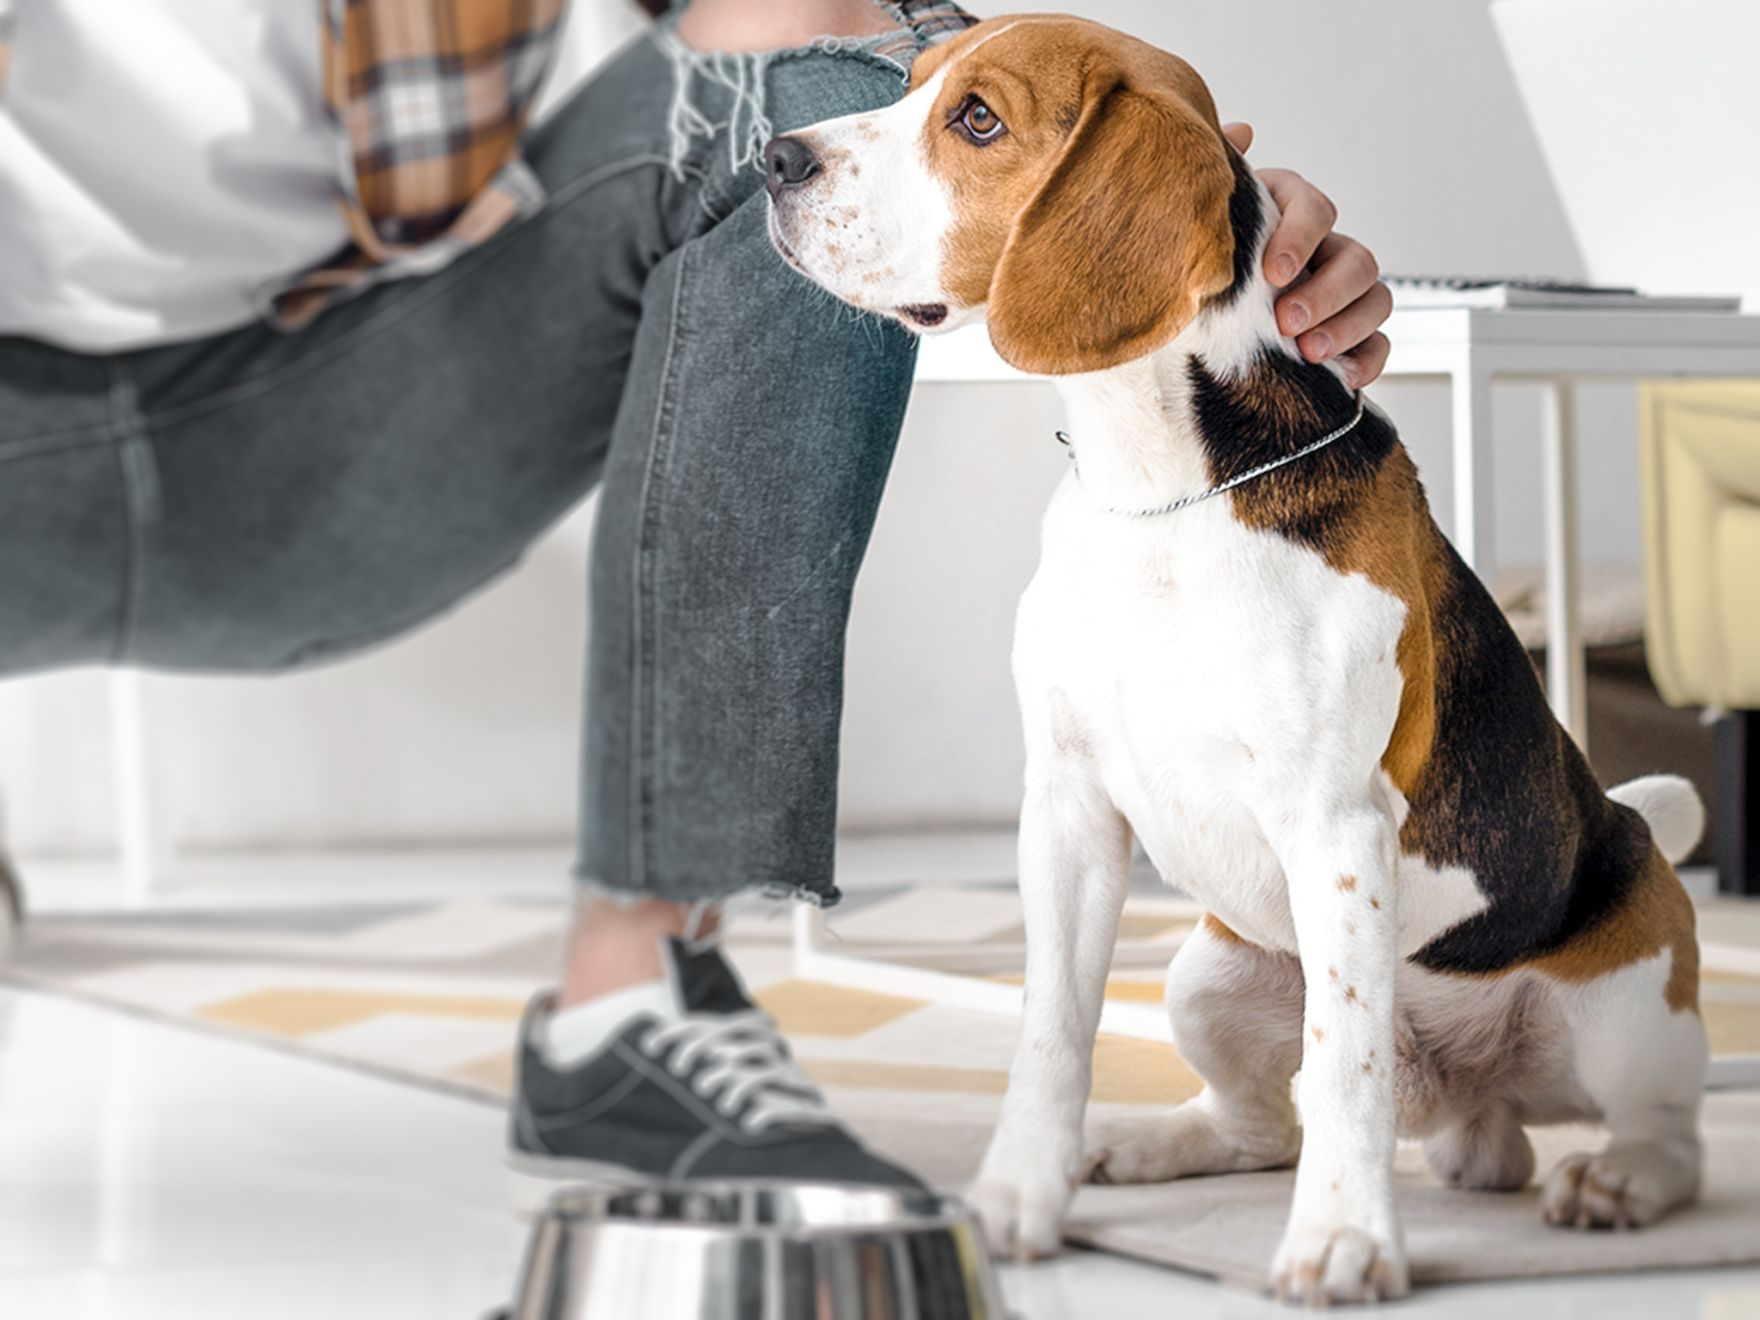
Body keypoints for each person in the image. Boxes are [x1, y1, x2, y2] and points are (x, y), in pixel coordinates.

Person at [0, 0, 1394, 1196]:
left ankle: (630, 1008)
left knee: (807, 80)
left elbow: (858, 40)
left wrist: (1200, 220)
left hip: (342, 420)